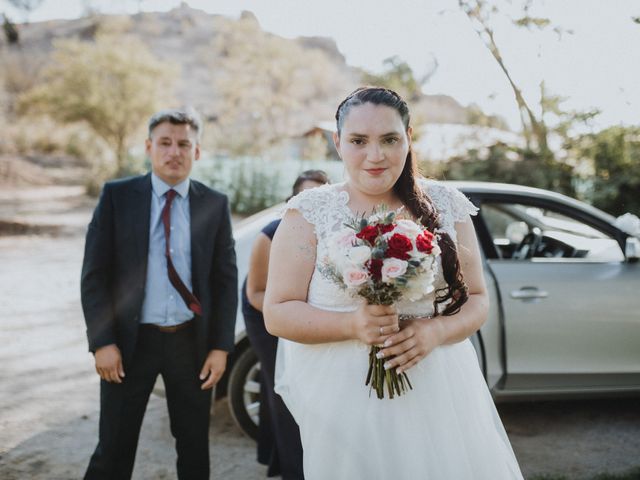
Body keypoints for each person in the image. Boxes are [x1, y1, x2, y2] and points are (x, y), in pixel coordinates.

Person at [263, 87, 523, 479]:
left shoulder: (448, 205)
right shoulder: (308, 214)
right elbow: (278, 313)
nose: (375, 155)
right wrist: (352, 325)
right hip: (345, 401)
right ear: (337, 143)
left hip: (439, 390)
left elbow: (478, 300)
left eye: (389, 139)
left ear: (408, 138)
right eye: (358, 141)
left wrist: (437, 331)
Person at [80, 108, 237, 480]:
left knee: (195, 449)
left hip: (191, 345)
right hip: (129, 344)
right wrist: (102, 341)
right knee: (113, 449)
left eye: (184, 144)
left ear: (197, 151)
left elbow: (224, 280)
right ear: (149, 147)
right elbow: (94, 276)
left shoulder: (214, 204)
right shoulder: (117, 196)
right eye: (165, 143)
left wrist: (220, 346)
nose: (174, 152)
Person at [243, 170, 330, 479]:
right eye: (305, 197)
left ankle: (275, 457)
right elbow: (256, 293)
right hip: (264, 312)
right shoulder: (270, 236)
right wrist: (295, 315)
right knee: (283, 384)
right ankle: (293, 468)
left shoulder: (332, 234)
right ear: (291, 201)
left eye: (320, 197)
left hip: (302, 310)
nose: (312, 204)